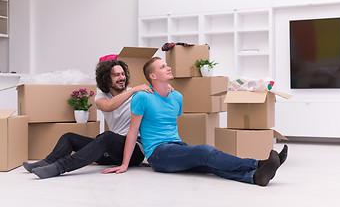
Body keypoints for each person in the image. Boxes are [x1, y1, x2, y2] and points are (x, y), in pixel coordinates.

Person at [102, 57, 288, 186]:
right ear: (153, 76)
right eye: (162, 67)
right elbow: (133, 131)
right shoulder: (142, 97)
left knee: (209, 164)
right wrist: (125, 164)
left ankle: (255, 177)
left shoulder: (177, 97)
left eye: (167, 65)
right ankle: (258, 163)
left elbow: (171, 126)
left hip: (175, 146)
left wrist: (181, 148)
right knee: (205, 151)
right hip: (157, 154)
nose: (168, 68)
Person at [23, 59, 155, 179]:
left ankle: (59, 167)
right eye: (116, 75)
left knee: (107, 136)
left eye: (123, 74)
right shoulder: (102, 97)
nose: (122, 78)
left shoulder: (136, 94)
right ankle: (47, 162)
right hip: (112, 152)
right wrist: (131, 91)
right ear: (106, 79)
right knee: (69, 137)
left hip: (134, 152)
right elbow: (109, 106)